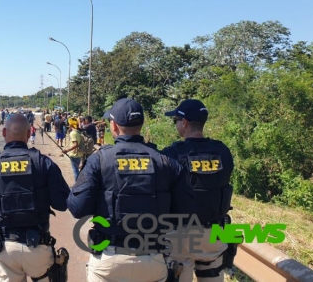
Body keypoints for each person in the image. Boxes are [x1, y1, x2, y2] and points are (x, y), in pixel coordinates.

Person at [67, 98, 196, 282]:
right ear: (141, 124)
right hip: (152, 259)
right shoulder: (166, 161)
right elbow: (186, 211)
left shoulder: (99, 160)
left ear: (113, 126)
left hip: (109, 260)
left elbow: (76, 208)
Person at [0, 113, 71, 281]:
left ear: (3, 133)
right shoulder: (43, 163)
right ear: (30, 132)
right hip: (39, 247)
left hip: (5, 249)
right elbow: (62, 204)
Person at [162, 99, 234, 282]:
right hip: (215, 234)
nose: (176, 124)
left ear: (184, 123)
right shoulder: (223, 151)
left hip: (181, 236)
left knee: (176, 274)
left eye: (176, 120)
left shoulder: (172, 154)